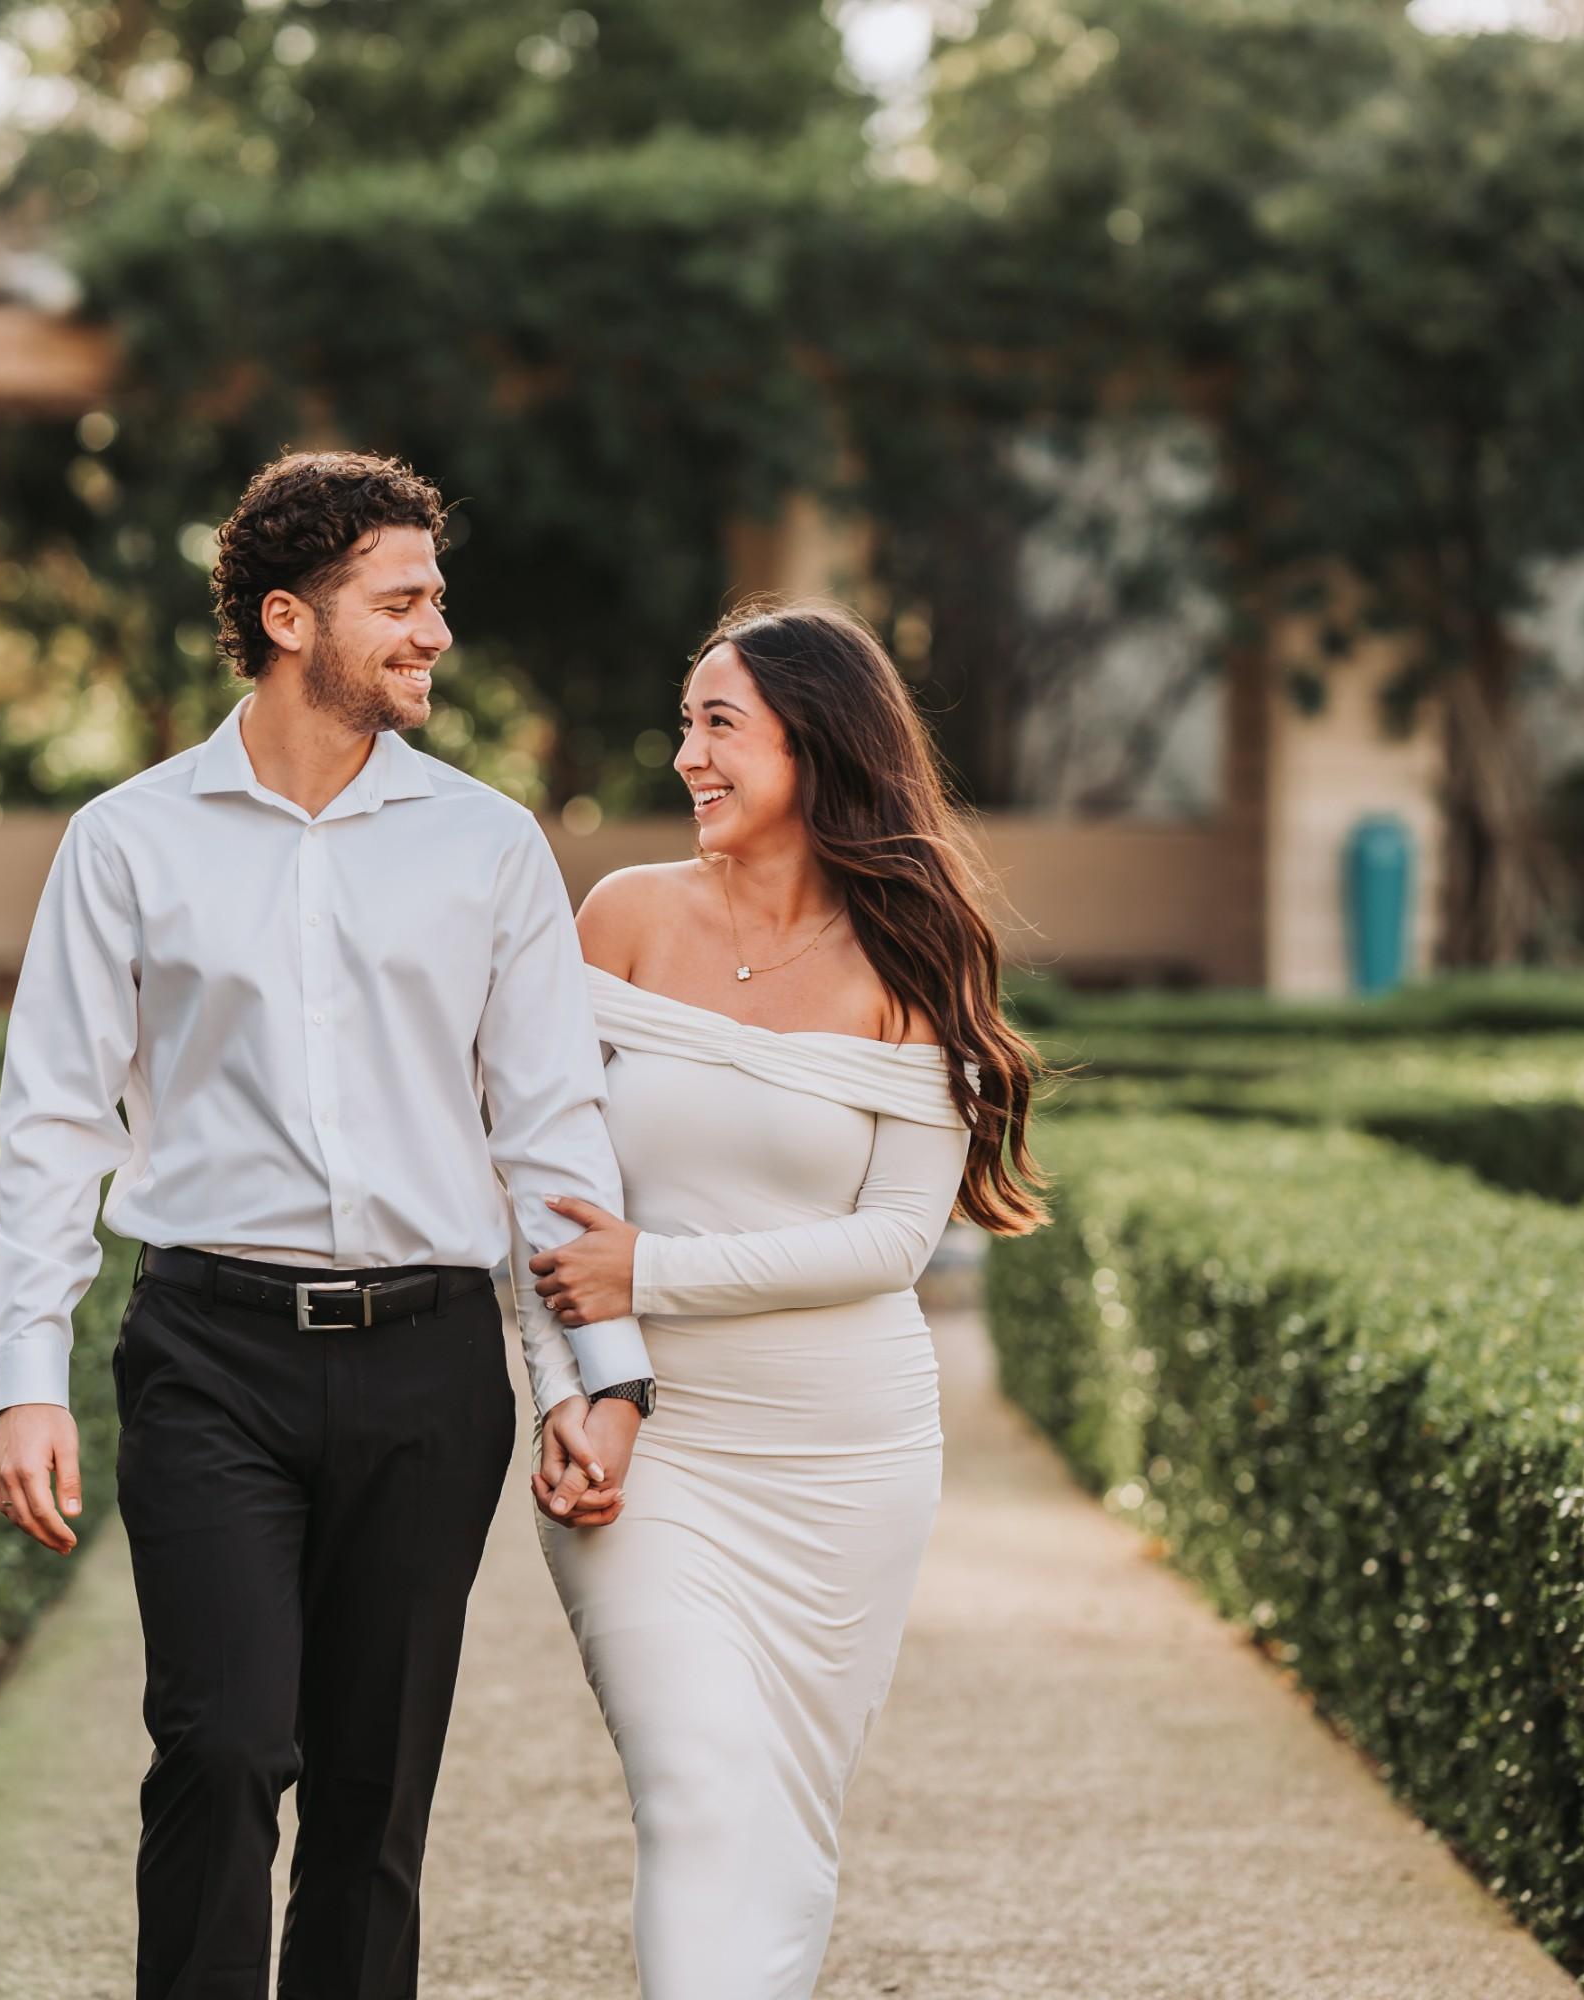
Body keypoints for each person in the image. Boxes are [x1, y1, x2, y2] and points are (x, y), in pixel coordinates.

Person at [0, 450, 654, 2000]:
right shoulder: (128, 842)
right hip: (209, 1354)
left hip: (428, 1372)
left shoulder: (490, 849)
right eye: (401, 602)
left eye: (435, 601)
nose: (435, 633)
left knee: (373, 1799)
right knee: (219, 1754)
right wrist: (30, 1372)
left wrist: (590, 1381)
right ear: (290, 618)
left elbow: (548, 1133)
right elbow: (55, 1125)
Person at [526, 600, 1050, 2000]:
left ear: (816, 745)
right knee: (696, 1789)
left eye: (721, 724)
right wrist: (573, 1392)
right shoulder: (620, 922)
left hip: (848, 1459)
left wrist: (656, 1268)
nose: (688, 752)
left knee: (784, 1818)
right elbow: (538, 1193)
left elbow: (891, 1241)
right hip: (654, 1445)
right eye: (687, 721)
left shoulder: (917, 955)